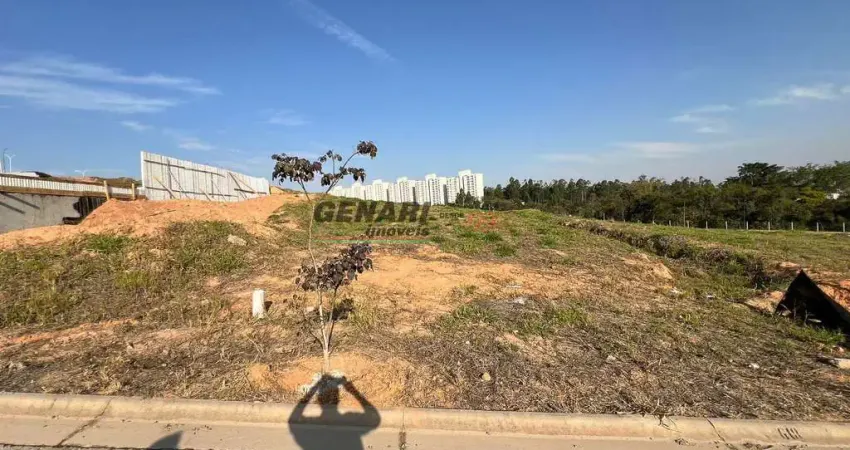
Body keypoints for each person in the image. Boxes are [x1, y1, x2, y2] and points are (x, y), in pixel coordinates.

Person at [288, 375, 380, 450]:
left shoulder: (312, 431)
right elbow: (374, 418)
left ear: (319, 402)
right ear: (338, 401)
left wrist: (314, 388)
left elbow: (293, 419)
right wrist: (353, 390)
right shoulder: (347, 422)